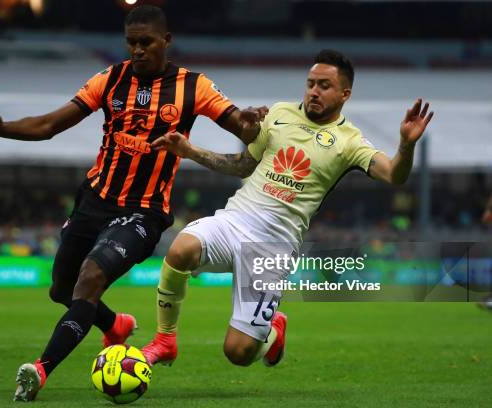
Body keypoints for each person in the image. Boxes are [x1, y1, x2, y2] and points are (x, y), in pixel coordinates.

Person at [0, 5, 266, 402]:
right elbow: (51, 125)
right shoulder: (110, 79)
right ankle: (115, 326)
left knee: (90, 279)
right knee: (61, 290)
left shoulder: (195, 86)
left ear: (166, 41)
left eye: (146, 43)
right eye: (131, 43)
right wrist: (2, 130)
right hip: (94, 200)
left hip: (144, 211)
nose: (137, 50)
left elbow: (238, 124)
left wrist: (251, 121)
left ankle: (40, 369)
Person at [141, 49, 434, 368]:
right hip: (236, 220)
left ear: (344, 94)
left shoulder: (350, 141)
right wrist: (189, 150)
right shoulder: (278, 114)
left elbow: (394, 174)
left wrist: (406, 145)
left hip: (273, 247)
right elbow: (242, 167)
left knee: (238, 354)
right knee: (181, 248)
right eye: (310, 83)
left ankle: (273, 331)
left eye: (324, 85)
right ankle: (164, 340)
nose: (314, 91)